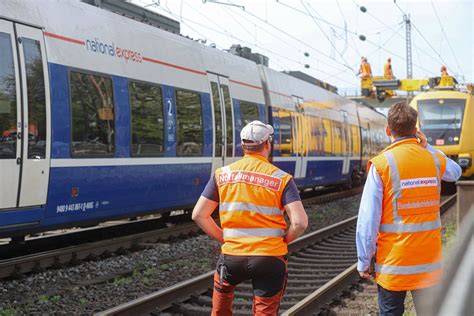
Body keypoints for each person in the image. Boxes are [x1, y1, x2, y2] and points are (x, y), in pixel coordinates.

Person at [356, 102, 462, 316]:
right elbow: (456, 172)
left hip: (393, 265)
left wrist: (364, 260)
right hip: (428, 264)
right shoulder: (432, 158)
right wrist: (428, 146)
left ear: (388, 130)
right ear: (416, 130)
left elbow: (368, 219)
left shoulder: (381, 165)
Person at [192, 120, 308, 315]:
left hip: (232, 257)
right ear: (267, 145)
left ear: (243, 145)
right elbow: (300, 222)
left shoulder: (222, 175)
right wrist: (283, 241)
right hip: (269, 258)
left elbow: (199, 215)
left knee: (221, 304)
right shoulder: (281, 178)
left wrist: (224, 238)